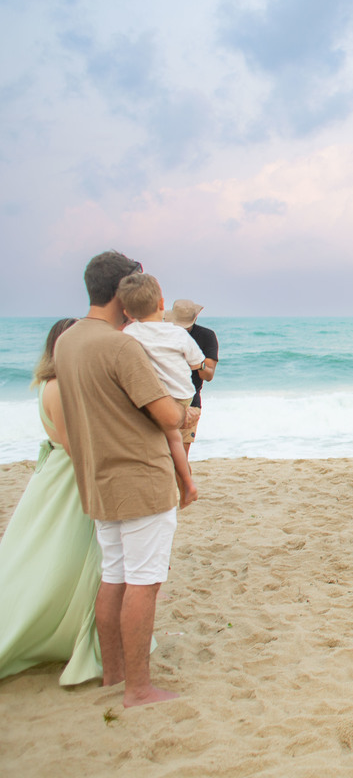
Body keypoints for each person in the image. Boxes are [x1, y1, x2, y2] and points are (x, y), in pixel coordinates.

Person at [55, 250, 198, 708]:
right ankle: (138, 688)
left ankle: (113, 674)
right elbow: (165, 414)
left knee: (114, 576)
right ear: (123, 290)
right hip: (139, 475)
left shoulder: (68, 341)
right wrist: (183, 412)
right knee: (144, 581)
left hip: (98, 476)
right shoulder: (120, 346)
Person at [0, 318, 104, 685]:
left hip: (59, 474)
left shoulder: (53, 383)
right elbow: (74, 446)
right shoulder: (58, 387)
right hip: (68, 478)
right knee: (64, 554)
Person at [118, 274, 204, 508]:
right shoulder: (177, 333)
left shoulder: (129, 333)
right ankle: (187, 484)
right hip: (183, 394)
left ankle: (184, 485)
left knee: (169, 438)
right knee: (174, 439)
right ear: (162, 304)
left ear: (127, 312)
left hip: (157, 396)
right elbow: (196, 362)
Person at [165, 299, 218, 457]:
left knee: (180, 457)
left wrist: (198, 364)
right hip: (162, 400)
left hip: (190, 403)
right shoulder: (164, 334)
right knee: (162, 456)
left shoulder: (206, 336)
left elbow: (208, 375)